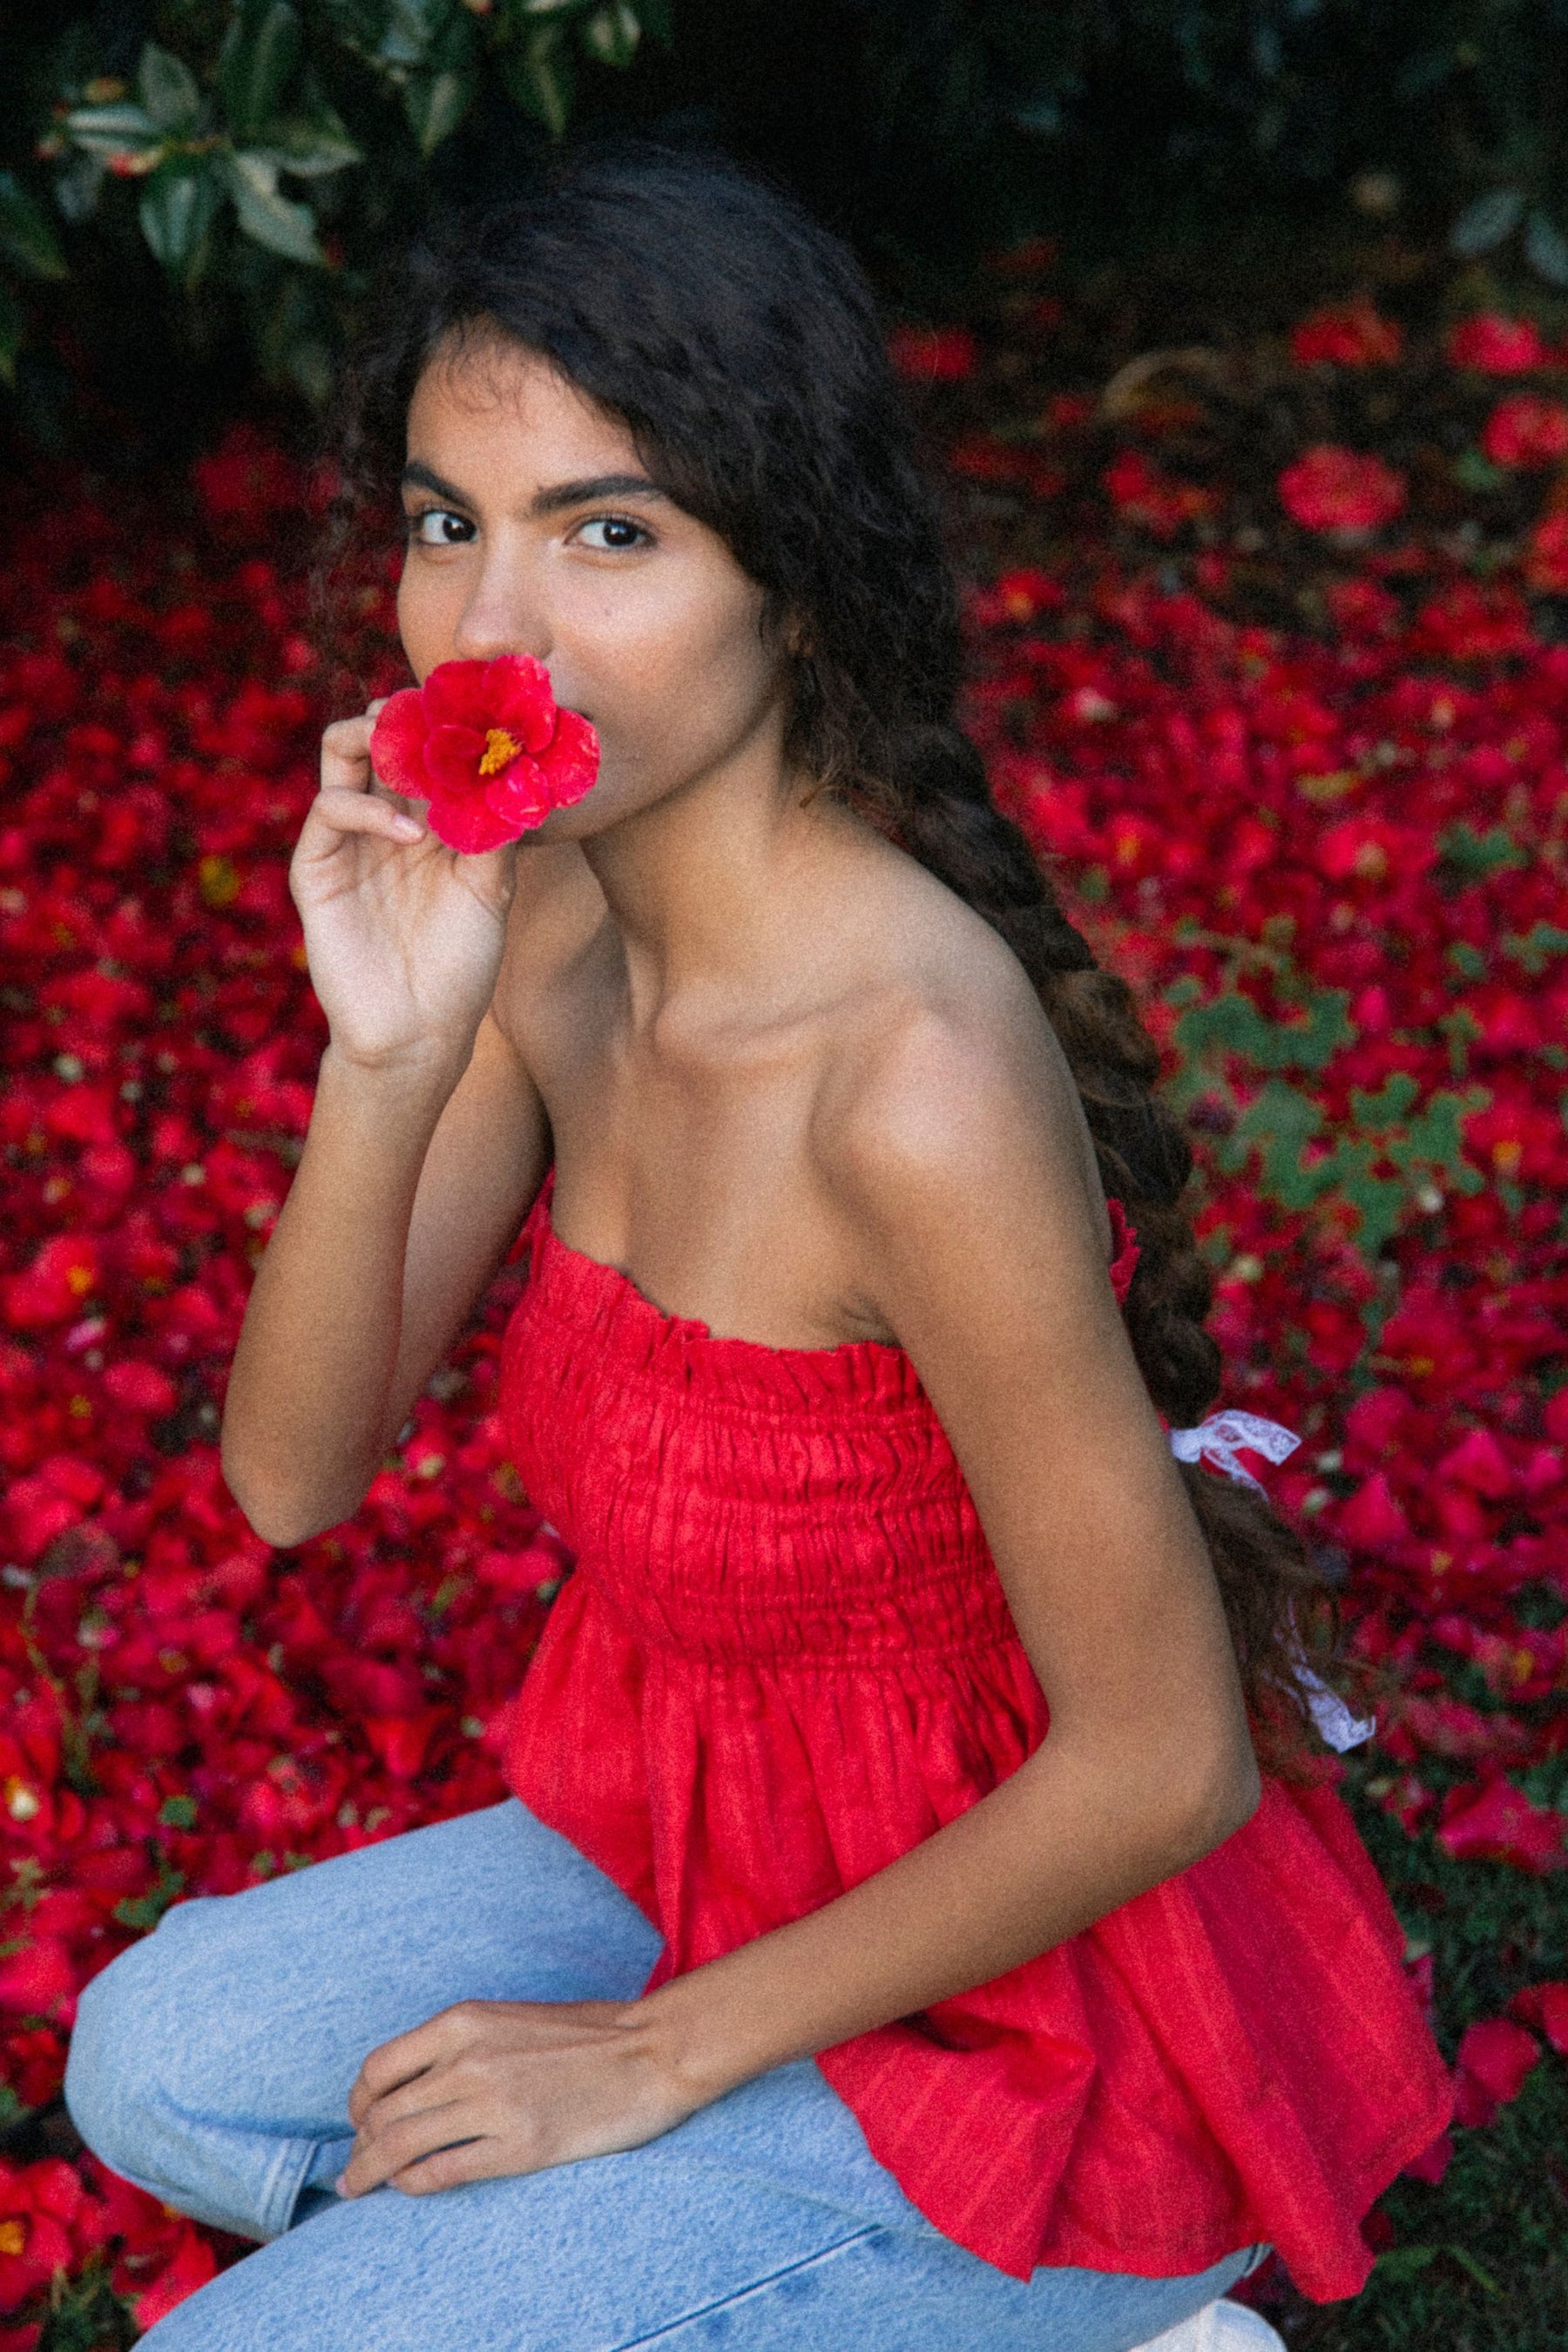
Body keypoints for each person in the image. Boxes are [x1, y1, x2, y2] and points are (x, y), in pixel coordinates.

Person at [64, 147, 1451, 2351]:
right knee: (145, 2062)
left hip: (1052, 2015)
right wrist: (387, 1053)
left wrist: (651, 2057)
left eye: (609, 532)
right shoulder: (557, 931)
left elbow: (1168, 1759)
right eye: (450, 524)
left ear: (794, 583)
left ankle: (1096, 2306)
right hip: (701, 1839)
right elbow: (290, 1479)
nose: (490, 631)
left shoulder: (908, 1073)